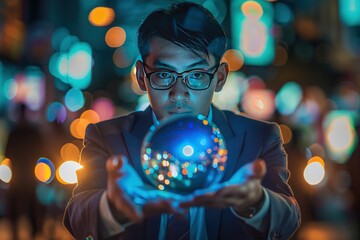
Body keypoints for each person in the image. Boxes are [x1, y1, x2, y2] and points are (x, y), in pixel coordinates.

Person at [63, 2, 301, 239]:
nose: (178, 93)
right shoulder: (108, 137)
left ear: (219, 77)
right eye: (164, 75)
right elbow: (77, 216)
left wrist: (257, 202)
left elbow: (289, 220)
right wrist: (113, 207)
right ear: (141, 77)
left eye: (196, 75)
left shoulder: (258, 137)